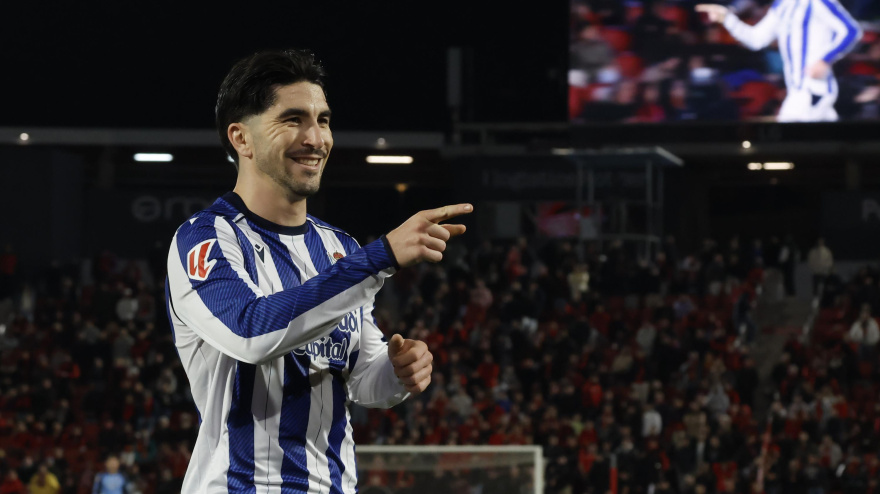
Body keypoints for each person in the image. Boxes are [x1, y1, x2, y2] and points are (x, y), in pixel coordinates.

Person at [164, 49, 471, 493]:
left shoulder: (337, 247)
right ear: (241, 139)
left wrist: (398, 372)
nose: (316, 138)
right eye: (292, 119)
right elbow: (250, 332)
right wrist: (380, 256)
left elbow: (363, 378)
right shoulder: (204, 239)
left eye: (323, 120)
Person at [697, 0, 863, 122]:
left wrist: (825, 60)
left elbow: (851, 31)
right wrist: (727, 18)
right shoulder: (781, 6)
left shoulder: (818, 2)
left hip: (812, 89)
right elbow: (756, 40)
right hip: (798, 90)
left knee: (788, 146)